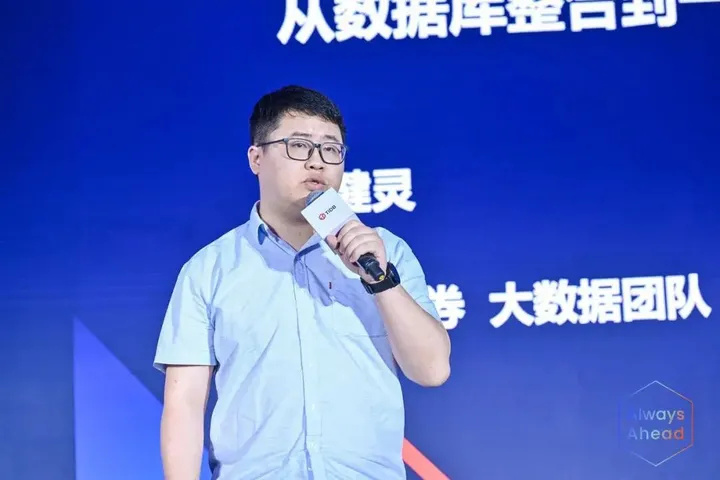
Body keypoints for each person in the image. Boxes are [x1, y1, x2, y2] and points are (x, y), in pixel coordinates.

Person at [153, 85, 451, 480]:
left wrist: (381, 281)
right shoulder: (209, 269)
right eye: (299, 146)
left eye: (331, 149)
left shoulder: (385, 251)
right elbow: (185, 404)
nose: (317, 162)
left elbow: (432, 370)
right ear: (256, 158)